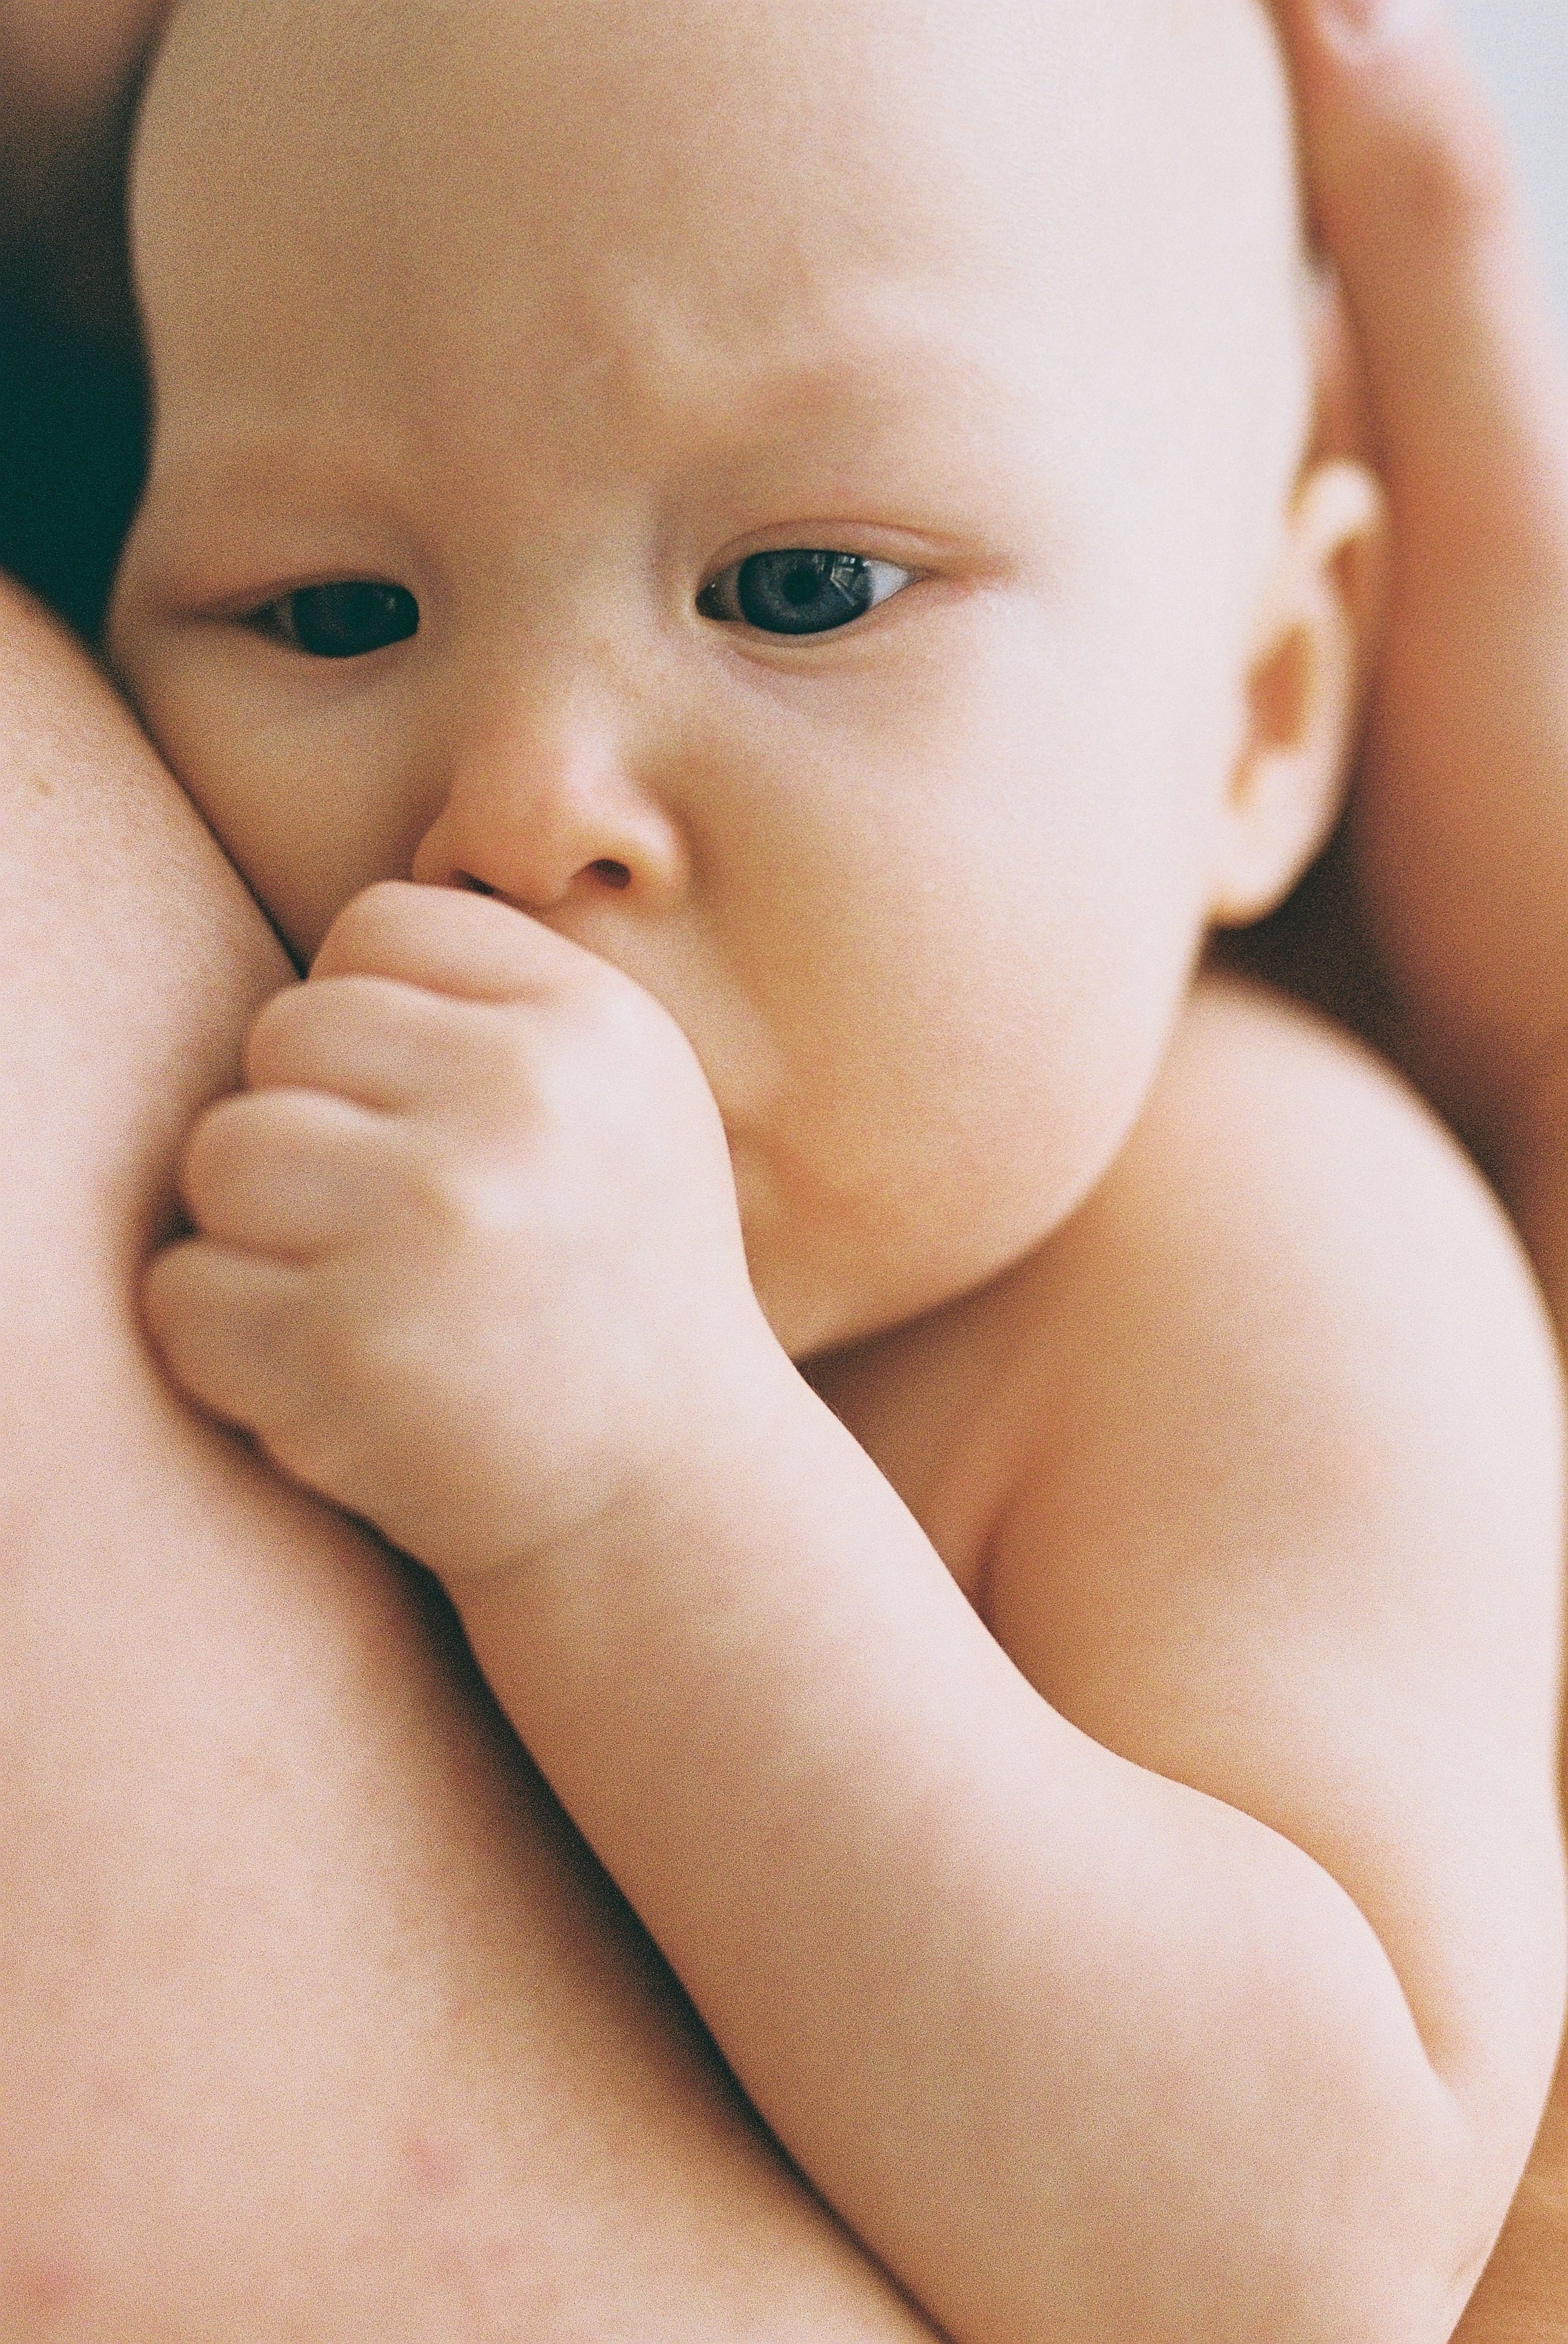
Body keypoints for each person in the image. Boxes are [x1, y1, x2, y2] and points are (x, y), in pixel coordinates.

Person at [0, 4, 1564, 2339]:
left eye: (803, 589)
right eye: (330, 611)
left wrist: (645, 1478)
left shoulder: (1265, 1263)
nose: (520, 806)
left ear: (1256, 710)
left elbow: (1303, 2261)